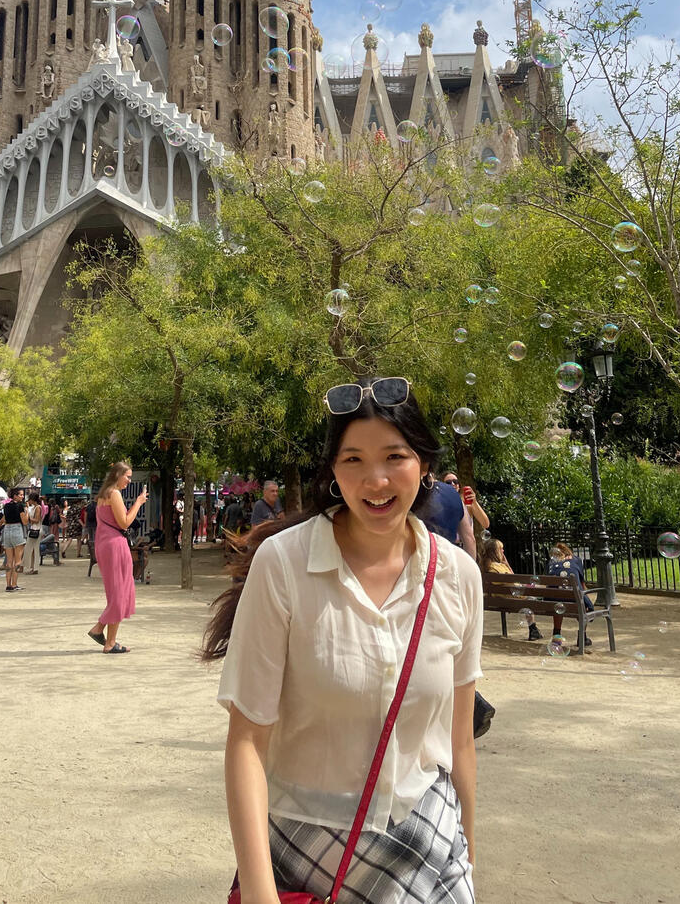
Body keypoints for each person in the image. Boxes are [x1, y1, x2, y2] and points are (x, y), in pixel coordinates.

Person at [205, 375, 483, 903]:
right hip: (305, 847)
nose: (375, 480)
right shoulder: (283, 565)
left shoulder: (457, 577)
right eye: (352, 459)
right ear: (333, 472)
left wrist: (469, 860)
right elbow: (246, 741)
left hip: (430, 846)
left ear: (423, 464)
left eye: (394, 456)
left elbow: (460, 741)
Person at [87, 461, 147, 653]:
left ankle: (104, 634)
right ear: (117, 475)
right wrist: (138, 502)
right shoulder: (114, 494)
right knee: (119, 593)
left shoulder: (103, 496)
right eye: (127, 476)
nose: (129, 480)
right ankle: (108, 640)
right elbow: (125, 523)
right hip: (115, 546)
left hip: (105, 545)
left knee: (116, 593)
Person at [479, 538, 543, 642]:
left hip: (499, 600)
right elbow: (514, 581)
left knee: (529, 598)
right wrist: (507, 565)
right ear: (494, 551)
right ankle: (533, 629)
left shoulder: (486, 567)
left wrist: (506, 564)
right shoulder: (496, 568)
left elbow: (511, 580)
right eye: (501, 549)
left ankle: (534, 630)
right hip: (511, 599)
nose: (503, 551)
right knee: (531, 599)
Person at [548, 541, 595, 648]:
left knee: (558, 602)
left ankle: (556, 637)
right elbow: (582, 586)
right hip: (575, 602)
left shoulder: (551, 563)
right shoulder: (576, 560)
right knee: (582, 602)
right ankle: (582, 637)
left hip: (554, 601)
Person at [421, 475, 479, 560]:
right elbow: (470, 539)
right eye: (448, 483)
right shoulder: (457, 500)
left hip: (423, 555)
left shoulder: (413, 494)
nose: (452, 484)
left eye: (455, 481)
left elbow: (485, 523)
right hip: (450, 556)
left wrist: (475, 503)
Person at [0, 488, 28, 591]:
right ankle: (14, 584)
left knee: (9, 561)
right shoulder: (20, 506)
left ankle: (8, 584)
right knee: (18, 560)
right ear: (15, 496)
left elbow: (4, 519)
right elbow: (25, 521)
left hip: (7, 530)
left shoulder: (6, 506)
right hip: (17, 529)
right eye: (20, 495)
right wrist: (27, 512)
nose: (22, 496)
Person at [24, 493, 43, 574]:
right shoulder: (34, 507)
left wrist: (29, 518)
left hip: (36, 529)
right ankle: (32, 567)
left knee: (32, 549)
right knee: (32, 549)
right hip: (34, 528)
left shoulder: (38, 508)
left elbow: (37, 520)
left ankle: (33, 567)